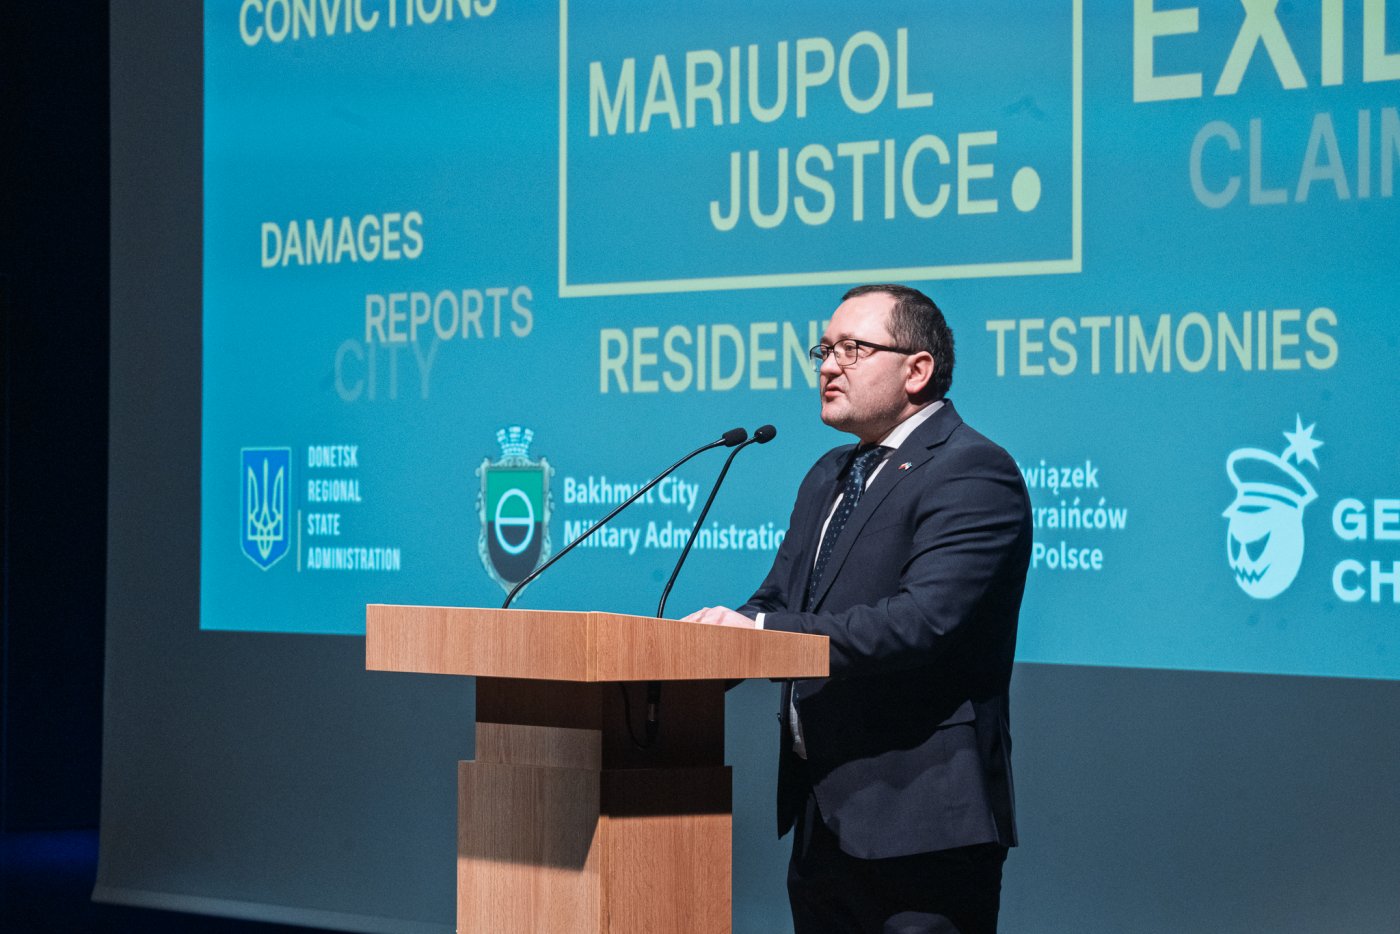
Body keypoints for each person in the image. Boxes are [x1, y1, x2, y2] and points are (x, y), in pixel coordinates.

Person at [685, 284, 1032, 934]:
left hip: (919, 823)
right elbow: (779, 600)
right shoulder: (829, 473)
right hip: (822, 818)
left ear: (917, 369)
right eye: (823, 350)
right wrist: (689, 656)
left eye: (852, 348)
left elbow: (919, 624)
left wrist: (757, 631)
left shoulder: (973, 471)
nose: (828, 366)